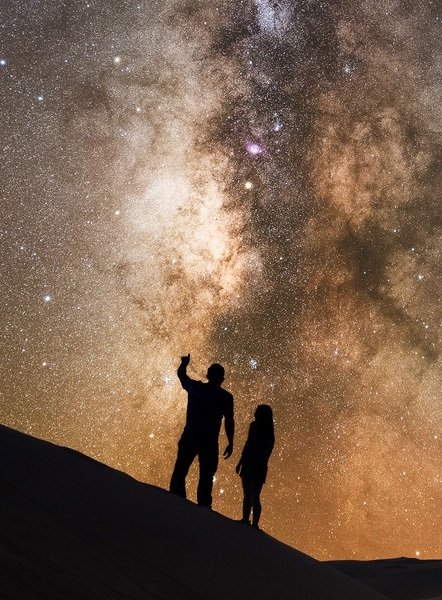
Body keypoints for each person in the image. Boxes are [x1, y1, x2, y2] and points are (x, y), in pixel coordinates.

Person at [169, 354, 234, 508]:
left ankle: (179, 503)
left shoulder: (198, 389)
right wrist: (231, 441)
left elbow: (182, 376)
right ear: (221, 378)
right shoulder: (224, 397)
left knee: (186, 470)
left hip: (196, 437)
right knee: (200, 474)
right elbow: (229, 420)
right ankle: (197, 506)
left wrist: (184, 364)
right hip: (205, 439)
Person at [236, 404, 274, 528]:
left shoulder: (258, 427)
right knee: (253, 495)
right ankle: (252, 523)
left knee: (250, 494)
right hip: (256, 465)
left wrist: (242, 461)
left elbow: (250, 444)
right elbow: (249, 444)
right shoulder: (266, 430)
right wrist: (241, 461)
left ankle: (248, 521)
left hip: (253, 464)